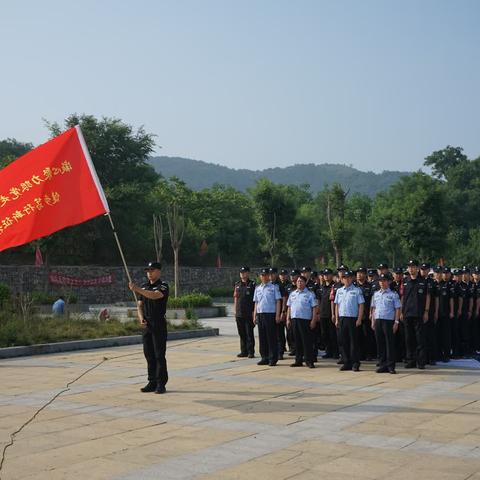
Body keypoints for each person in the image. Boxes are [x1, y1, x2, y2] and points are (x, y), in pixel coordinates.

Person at [129, 261, 169, 394]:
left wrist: (137, 289)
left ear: (159, 271)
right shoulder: (144, 286)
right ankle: (151, 381)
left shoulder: (163, 286)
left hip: (158, 324)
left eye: (152, 270)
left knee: (159, 355)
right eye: (147, 271)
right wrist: (141, 318)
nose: (149, 273)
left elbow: (155, 295)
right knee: (149, 354)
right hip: (147, 324)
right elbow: (139, 305)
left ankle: (160, 383)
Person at [401, 260, 431, 369]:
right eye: (409, 267)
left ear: (417, 268)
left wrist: (426, 311)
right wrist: (401, 311)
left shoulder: (423, 281)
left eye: (413, 267)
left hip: (419, 313)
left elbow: (428, 297)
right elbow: (402, 297)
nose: (411, 269)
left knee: (420, 339)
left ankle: (421, 361)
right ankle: (411, 360)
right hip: (407, 313)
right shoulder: (405, 281)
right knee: (409, 339)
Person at [334, 270, 365, 371]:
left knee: (354, 342)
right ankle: (346, 362)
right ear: (342, 279)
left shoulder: (357, 290)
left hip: (353, 319)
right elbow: (337, 305)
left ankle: (355, 363)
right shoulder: (339, 291)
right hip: (342, 318)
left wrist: (359, 319)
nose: (346, 279)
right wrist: (337, 318)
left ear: (352, 279)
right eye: (344, 278)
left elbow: (361, 305)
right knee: (344, 341)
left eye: (348, 278)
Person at [371, 273, 401, 374]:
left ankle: (391, 366)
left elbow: (397, 309)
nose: (382, 283)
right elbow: (374, 308)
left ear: (388, 282)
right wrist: (373, 321)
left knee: (389, 344)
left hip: (388, 321)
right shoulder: (376, 294)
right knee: (380, 344)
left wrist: (396, 322)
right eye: (380, 281)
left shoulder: (393, 294)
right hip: (378, 320)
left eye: (384, 281)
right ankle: (382, 364)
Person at [286, 275, 318, 368]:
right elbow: (289, 307)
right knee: (297, 341)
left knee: (307, 341)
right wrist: (288, 318)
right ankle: (298, 360)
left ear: (305, 283)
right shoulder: (292, 294)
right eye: (298, 281)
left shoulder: (310, 294)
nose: (299, 283)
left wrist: (313, 320)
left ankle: (309, 361)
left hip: (305, 320)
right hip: (294, 319)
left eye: (301, 281)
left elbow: (314, 308)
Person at [253, 268, 282, 366]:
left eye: (265, 275)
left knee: (271, 337)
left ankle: (273, 358)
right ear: (260, 277)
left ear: (269, 276)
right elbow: (256, 303)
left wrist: (278, 315)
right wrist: (254, 315)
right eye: (262, 275)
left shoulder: (274, 287)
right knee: (262, 337)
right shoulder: (258, 288)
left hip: (270, 314)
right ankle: (264, 357)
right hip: (260, 314)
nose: (264, 277)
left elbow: (278, 301)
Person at [233, 266, 256, 358]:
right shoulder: (237, 284)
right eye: (241, 273)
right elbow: (235, 298)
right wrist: (235, 311)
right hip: (239, 313)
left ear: (248, 273)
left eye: (244, 272)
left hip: (248, 313)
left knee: (249, 333)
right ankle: (244, 351)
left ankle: (251, 351)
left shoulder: (252, 284)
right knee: (241, 333)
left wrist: (254, 312)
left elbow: (255, 300)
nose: (242, 274)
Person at [355, 267, 376, 360]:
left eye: (362, 273)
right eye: (358, 273)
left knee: (367, 335)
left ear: (365, 275)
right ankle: (359, 354)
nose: (360, 275)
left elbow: (373, 300)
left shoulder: (370, 286)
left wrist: (372, 313)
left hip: (367, 314)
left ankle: (369, 354)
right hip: (356, 315)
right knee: (357, 335)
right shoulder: (354, 286)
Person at [319, 268, 339, 359]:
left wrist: (334, 314)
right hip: (323, 314)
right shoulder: (321, 287)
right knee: (324, 334)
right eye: (324, 274)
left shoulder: (334, 286)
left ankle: (335, 352)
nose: (326, 276)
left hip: (331, 314)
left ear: (332, 275)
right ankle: (328, 351)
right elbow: (318, 300)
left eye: (328, 274)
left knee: (332, 334)